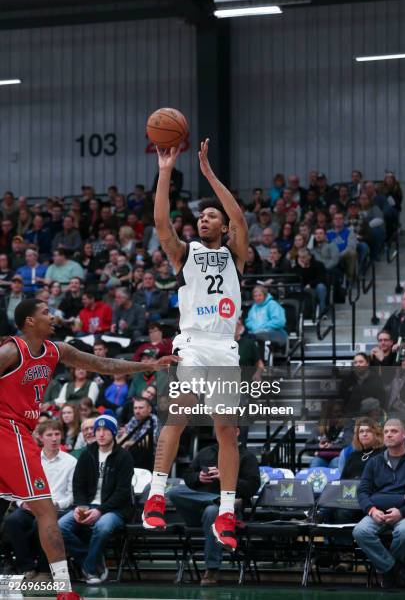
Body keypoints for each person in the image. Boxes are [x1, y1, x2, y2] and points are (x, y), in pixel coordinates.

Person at [0, 297, 177, 599]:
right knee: (46, 511)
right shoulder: (11, 350)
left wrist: (149, 365)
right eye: (45, 313)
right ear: (29, 321)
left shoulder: (57, 351)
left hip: (21, 431)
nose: (53, 317)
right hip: (8, 430)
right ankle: (64, 590)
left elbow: (102, 364)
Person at [142, 139, 248, 552]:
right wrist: (166, 170)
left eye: (210, 216)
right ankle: (155, 494)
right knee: (179, 416)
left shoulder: (235, 254)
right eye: (201, 216)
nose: (203, 220)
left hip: (224, 346)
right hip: (191, 343)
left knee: (228, 431)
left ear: (222, 227)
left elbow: (238, 215)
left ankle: (226, 513)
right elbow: (161, 221)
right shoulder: (184, 253)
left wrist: (208, 174)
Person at [167, 429, 260, 585]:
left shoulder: (247, 456)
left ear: (236, 432)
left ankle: (212, 569)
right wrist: (199, 477)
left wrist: (226, 478)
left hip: (228, 511)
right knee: (175, 492)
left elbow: (252, 487)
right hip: (198, 507)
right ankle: (217, 499)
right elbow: (188, 476)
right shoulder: (206, 452)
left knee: (212, 512)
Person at [58, 414, 134, 585]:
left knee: (102, 526)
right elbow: (78, 484)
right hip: (88, 504)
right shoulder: (87, 454)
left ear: (113, 432)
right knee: (60, 527)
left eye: (105, 430)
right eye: (97, 430)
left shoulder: (124, 457)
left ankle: (90, 570)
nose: (100, 434)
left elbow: (122, 492)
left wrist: (100, 510)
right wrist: (81, 506)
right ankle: (93, 560)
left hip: (115, 509)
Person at [3, 420, 77, 582]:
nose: (54, 438)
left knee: (42, 522)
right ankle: (26, 568)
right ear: (40, 438)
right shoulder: (31, 460)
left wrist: (57, 504)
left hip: (57, 508)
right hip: (32, 506)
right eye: (49, 435)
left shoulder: (71, 462)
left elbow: (72, 495)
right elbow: (18, 491)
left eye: (57, 434)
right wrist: (22, 503)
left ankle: (45, 570)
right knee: (12, 521)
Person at [353, 419, 405, 589]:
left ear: (404, 434)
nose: (389, 434)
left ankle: (389, 572)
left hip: (403, 513)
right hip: (377, 512)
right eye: (386, 432)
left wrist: (402, 512)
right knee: (360, 531)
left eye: (394, 431)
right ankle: (395, 569)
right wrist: (371, 510)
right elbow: (362, 491)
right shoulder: (375, 461)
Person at [245, 285, 287, 350]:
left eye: (259, 295)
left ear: (265, 295)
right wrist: (255, 328)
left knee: (260, 337)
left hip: (275, 333)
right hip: (256, 333)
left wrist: (263, 327)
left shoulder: (272, 304)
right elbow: (248, 321)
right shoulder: (254, 307)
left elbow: (279, 321)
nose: (257, 298)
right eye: (255, 296)